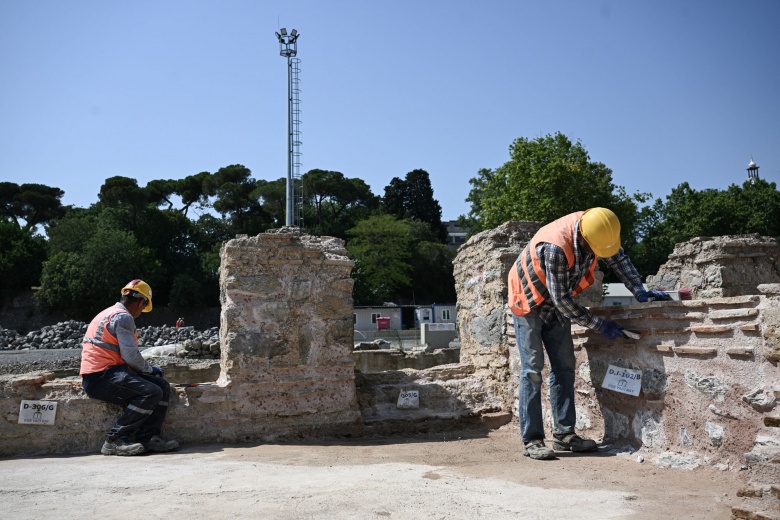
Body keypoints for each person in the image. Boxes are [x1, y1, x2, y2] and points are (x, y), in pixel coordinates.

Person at [508, 208, 669, 460]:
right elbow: (562, 300)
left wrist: (639, 289)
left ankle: (564, 435)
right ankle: (532, 440)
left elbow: (619, 260)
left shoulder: (600, 229)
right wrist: (599, 324)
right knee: (532, 369)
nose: (598, 254)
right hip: (528, 299)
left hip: (557, 300)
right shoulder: (556, 247)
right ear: (583, 238)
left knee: (564, 366)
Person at [80, 279, 180, 456]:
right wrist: (150, 369)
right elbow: (131, 356)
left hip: (104, 373)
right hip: (101, 376)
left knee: (162, 386)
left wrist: (148, 372)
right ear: (141, 302)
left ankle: (148, 438)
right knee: (151, 391)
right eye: (143, 308)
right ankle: (115, 440)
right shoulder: (123, 317)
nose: (140, 312)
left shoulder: (110, 312)